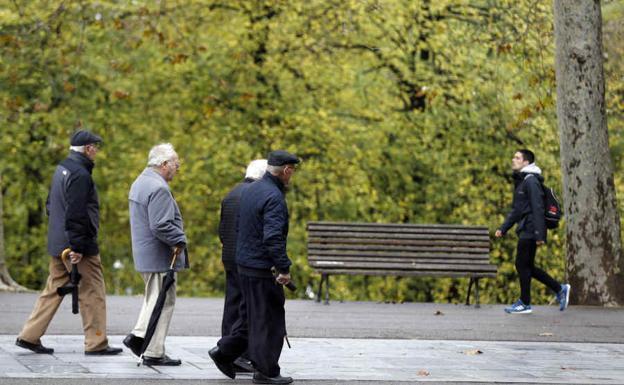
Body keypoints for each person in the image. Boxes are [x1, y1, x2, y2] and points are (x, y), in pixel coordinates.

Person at [16, 130, 122, 356]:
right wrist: (77, 246)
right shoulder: (81, 175)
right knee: (92, 291)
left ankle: (29, 335)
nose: (97, 151)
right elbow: (77, 213)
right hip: (76, 247)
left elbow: (50, 205)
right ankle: (96, 343)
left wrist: (62, 238)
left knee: (53, 289)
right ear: (88, 149)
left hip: (58, 242)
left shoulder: (62, 168)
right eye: (96, 146)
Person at [209, 150, 299, 385]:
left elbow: (238, 229)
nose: (292, 176)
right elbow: (272, 238)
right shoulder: (274, 197)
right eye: (293, 171)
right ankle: (266, 371)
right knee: (269, 320)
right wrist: (284, 268)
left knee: (250, 318)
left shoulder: (250, 191)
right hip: (262, 268)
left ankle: (224, 351)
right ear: (287, 170)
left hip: (244, 265)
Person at [123, 143, 189, 366]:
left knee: (154, 298)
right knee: (163, 301)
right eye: (175, 163)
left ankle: (141, 338)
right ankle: (151, 349)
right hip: (158, 256)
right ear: (163, 164)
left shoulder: (140, 182)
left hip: (146, 255)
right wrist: (180, 239)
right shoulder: (158, 187)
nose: (178, 167)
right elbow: (160, 225)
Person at [495, 149, 570, 314]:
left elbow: (538, 207)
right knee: (527, 266)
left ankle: (525, 302)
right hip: (526, 227)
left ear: (526, 162)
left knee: (521, 264)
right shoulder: (523, 182)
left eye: (517, 158)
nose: (513, 160)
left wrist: (539, 234)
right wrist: (503, 228)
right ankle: (559, 288)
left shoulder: (531, 181)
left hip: (530, 229)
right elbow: (516, 210)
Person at [218, 159, 268, 374]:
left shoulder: (231, 193)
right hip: (246, 260)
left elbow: (222, 229)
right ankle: (237, 354)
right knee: (248, 308)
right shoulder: (255, 196)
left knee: (232, 305)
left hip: (229, 256)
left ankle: (227, 351)